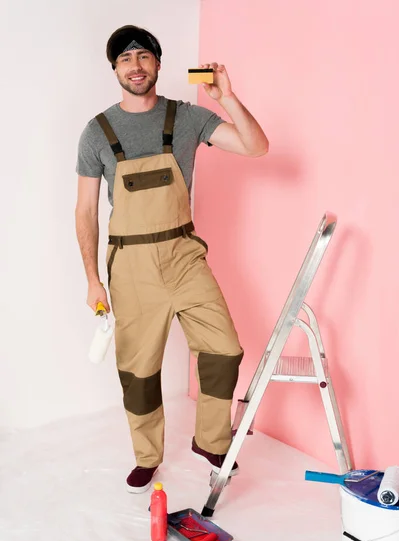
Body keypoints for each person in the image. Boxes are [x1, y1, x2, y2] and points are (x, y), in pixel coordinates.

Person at [75, 25, 269, 493]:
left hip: (183, 254)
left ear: (158, 65)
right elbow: (84, 211)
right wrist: (92, 280)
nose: (135, 66)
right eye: (125, 59)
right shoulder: (96, 132)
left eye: (143, 56)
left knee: (224, 349)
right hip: (131, 266)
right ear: (115, 70)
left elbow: (256, 146)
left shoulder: (187, 118)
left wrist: (228, 97)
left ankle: (211, 440)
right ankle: (147, 455)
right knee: (139, 371)